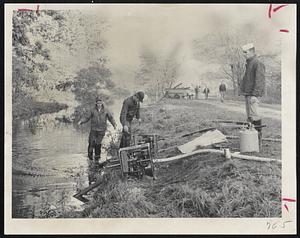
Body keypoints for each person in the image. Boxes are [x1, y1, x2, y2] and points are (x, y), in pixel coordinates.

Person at [239, 43, 265, 148]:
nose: (244, 55)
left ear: (252, 51)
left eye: (245, 52)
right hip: (248, 94)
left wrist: (255, 95)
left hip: (253, 95)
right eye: (243, 53)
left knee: (255, 116)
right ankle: (251, 141)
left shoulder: (257, 63)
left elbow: (260, 80)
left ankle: (258, 140)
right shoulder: (249, 63)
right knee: (249, 117)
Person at [78, 97, 117, 162]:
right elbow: (87, 117)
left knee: (98, 143)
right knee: (91, 143)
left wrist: (114, 124)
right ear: (96, 103)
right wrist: (81, 121)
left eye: (100, 103)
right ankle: (90, 158)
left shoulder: (106, 110)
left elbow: (111, 118)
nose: (99, 104)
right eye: (98, 103)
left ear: (102, 103)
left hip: (101, 130)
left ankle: (97, 158)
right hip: (93, 129)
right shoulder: (92, 110)